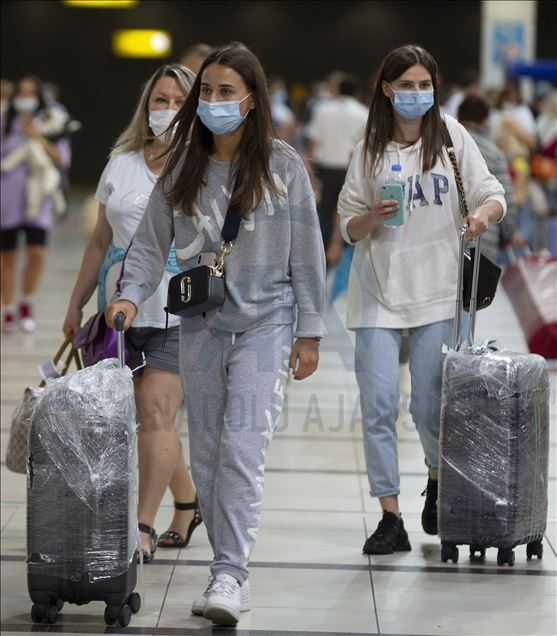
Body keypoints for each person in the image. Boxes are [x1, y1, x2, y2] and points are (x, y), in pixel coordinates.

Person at [104, 42, 325, 626]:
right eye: (207, 90)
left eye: (227, 91)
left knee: (242, 450)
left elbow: (307, 253)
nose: (214, 100)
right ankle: (226, 570)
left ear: (252, 100)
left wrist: (310, 331)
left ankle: (230, 573)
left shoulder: (282, 166)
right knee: (206, 455)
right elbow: (149, 244)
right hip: (200, 324)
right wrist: (129, 293)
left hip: (267, 323)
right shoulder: (184, 165)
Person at [337, 44, 506, 555]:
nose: (416, 94)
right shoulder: (369, 148)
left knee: (431, 408)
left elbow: (492, 193)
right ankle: (389, 516)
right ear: (388, 90)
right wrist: (370, 217)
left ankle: (436, 478)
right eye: (406, 85)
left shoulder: (451, 136)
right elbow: (347, 226)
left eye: (424, 85)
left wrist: (482, 216)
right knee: (378, 406)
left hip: (439, 293)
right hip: (377, 294)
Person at [62, 63, 202, 563]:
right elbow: (101, 239)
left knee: (155, 413)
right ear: (147, 105)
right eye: (160, 100)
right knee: (143, 420)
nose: (167, 109)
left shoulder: (205, 166)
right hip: (118, 312)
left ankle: (141, 527)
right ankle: (187, 503)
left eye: (178, 101)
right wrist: (77, 302)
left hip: (177, 311)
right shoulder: (121, 162)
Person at [1, 74, 71, 333]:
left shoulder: (52, 123)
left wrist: (38, 137)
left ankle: (26, 302)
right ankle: (8, 308)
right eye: (22, 92)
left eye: (31, 93)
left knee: (37, 253)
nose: (26, 97)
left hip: (38, 202)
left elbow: (61, 159)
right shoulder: (5, 121)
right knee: (7, 256)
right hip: (8, 201)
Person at [306, 74, 368, 261]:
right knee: (347, 213)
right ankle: (342, 258)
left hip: (325, 170)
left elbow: (312, 144)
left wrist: (311, 175)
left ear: (338, 90)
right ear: (356, 92)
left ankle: (320, 257)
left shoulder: (323, 110)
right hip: (351, 170)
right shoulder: (363, 112)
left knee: (324, 215)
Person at [457, 94, 525, 262]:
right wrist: (511, 232)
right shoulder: (494, 153)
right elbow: (507, 197)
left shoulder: (443, 146)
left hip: (448, 234)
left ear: (458, 116)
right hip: (483, 235)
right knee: (478, 278)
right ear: (486, 120)